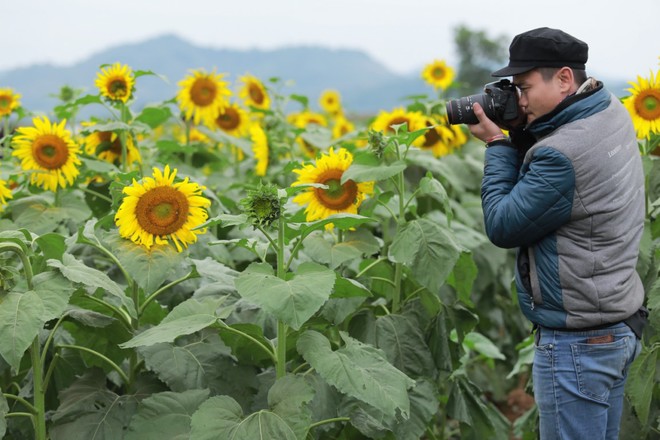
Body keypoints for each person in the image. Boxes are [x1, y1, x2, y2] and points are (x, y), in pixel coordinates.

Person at [468, 27, 647, 440]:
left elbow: (502, 224)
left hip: (579, 344)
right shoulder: (609, 110)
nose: (520, 99)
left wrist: (497, 144)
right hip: (615, 324)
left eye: (525, 87)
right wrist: (520, 126)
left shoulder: (561, 153)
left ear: (564, 78)